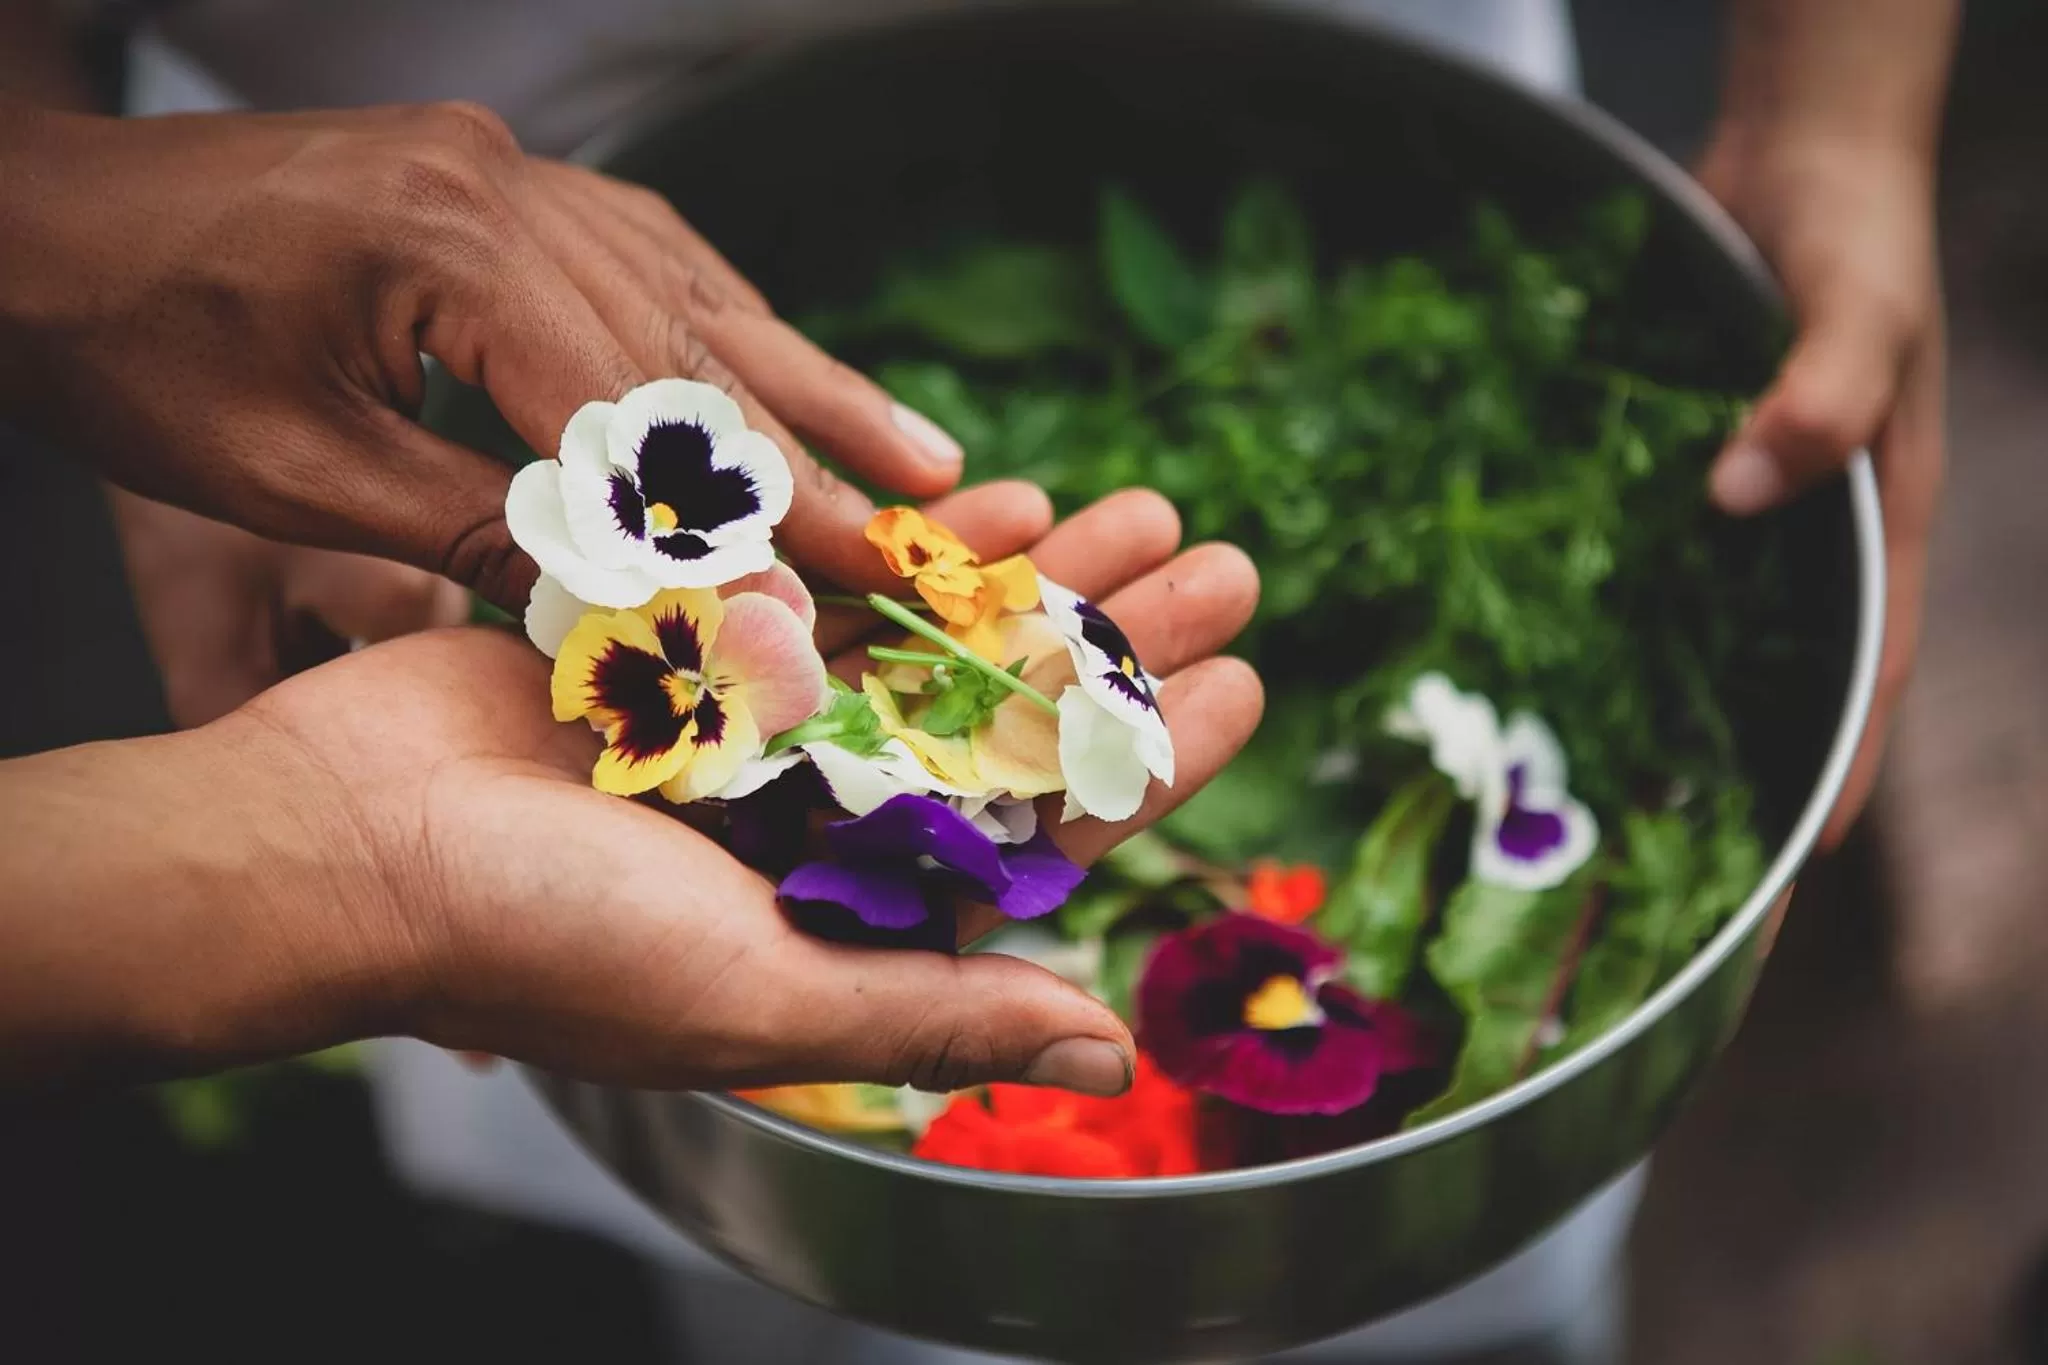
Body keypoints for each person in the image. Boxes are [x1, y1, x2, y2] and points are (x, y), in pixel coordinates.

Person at [0, 0, 1954, 1361]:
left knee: (1437, 1262)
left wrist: (1842, 110)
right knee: (778, 1222)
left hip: (1293, 52)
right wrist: (53, 195)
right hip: (396, 172)